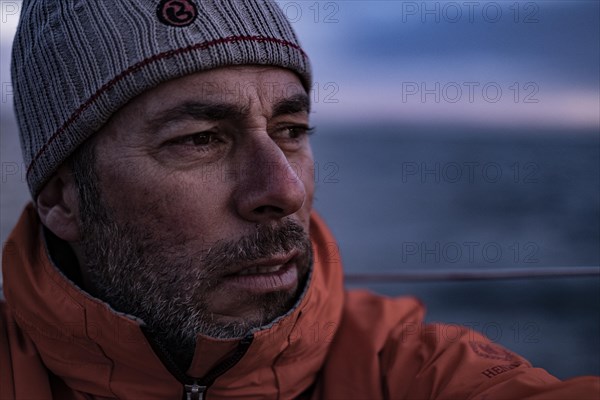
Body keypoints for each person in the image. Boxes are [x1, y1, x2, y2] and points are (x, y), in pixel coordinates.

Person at [1, 1, 598, 399]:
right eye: (200, 140)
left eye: (292, 130)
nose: (284, 190)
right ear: (62, 198)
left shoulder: (409, 371)